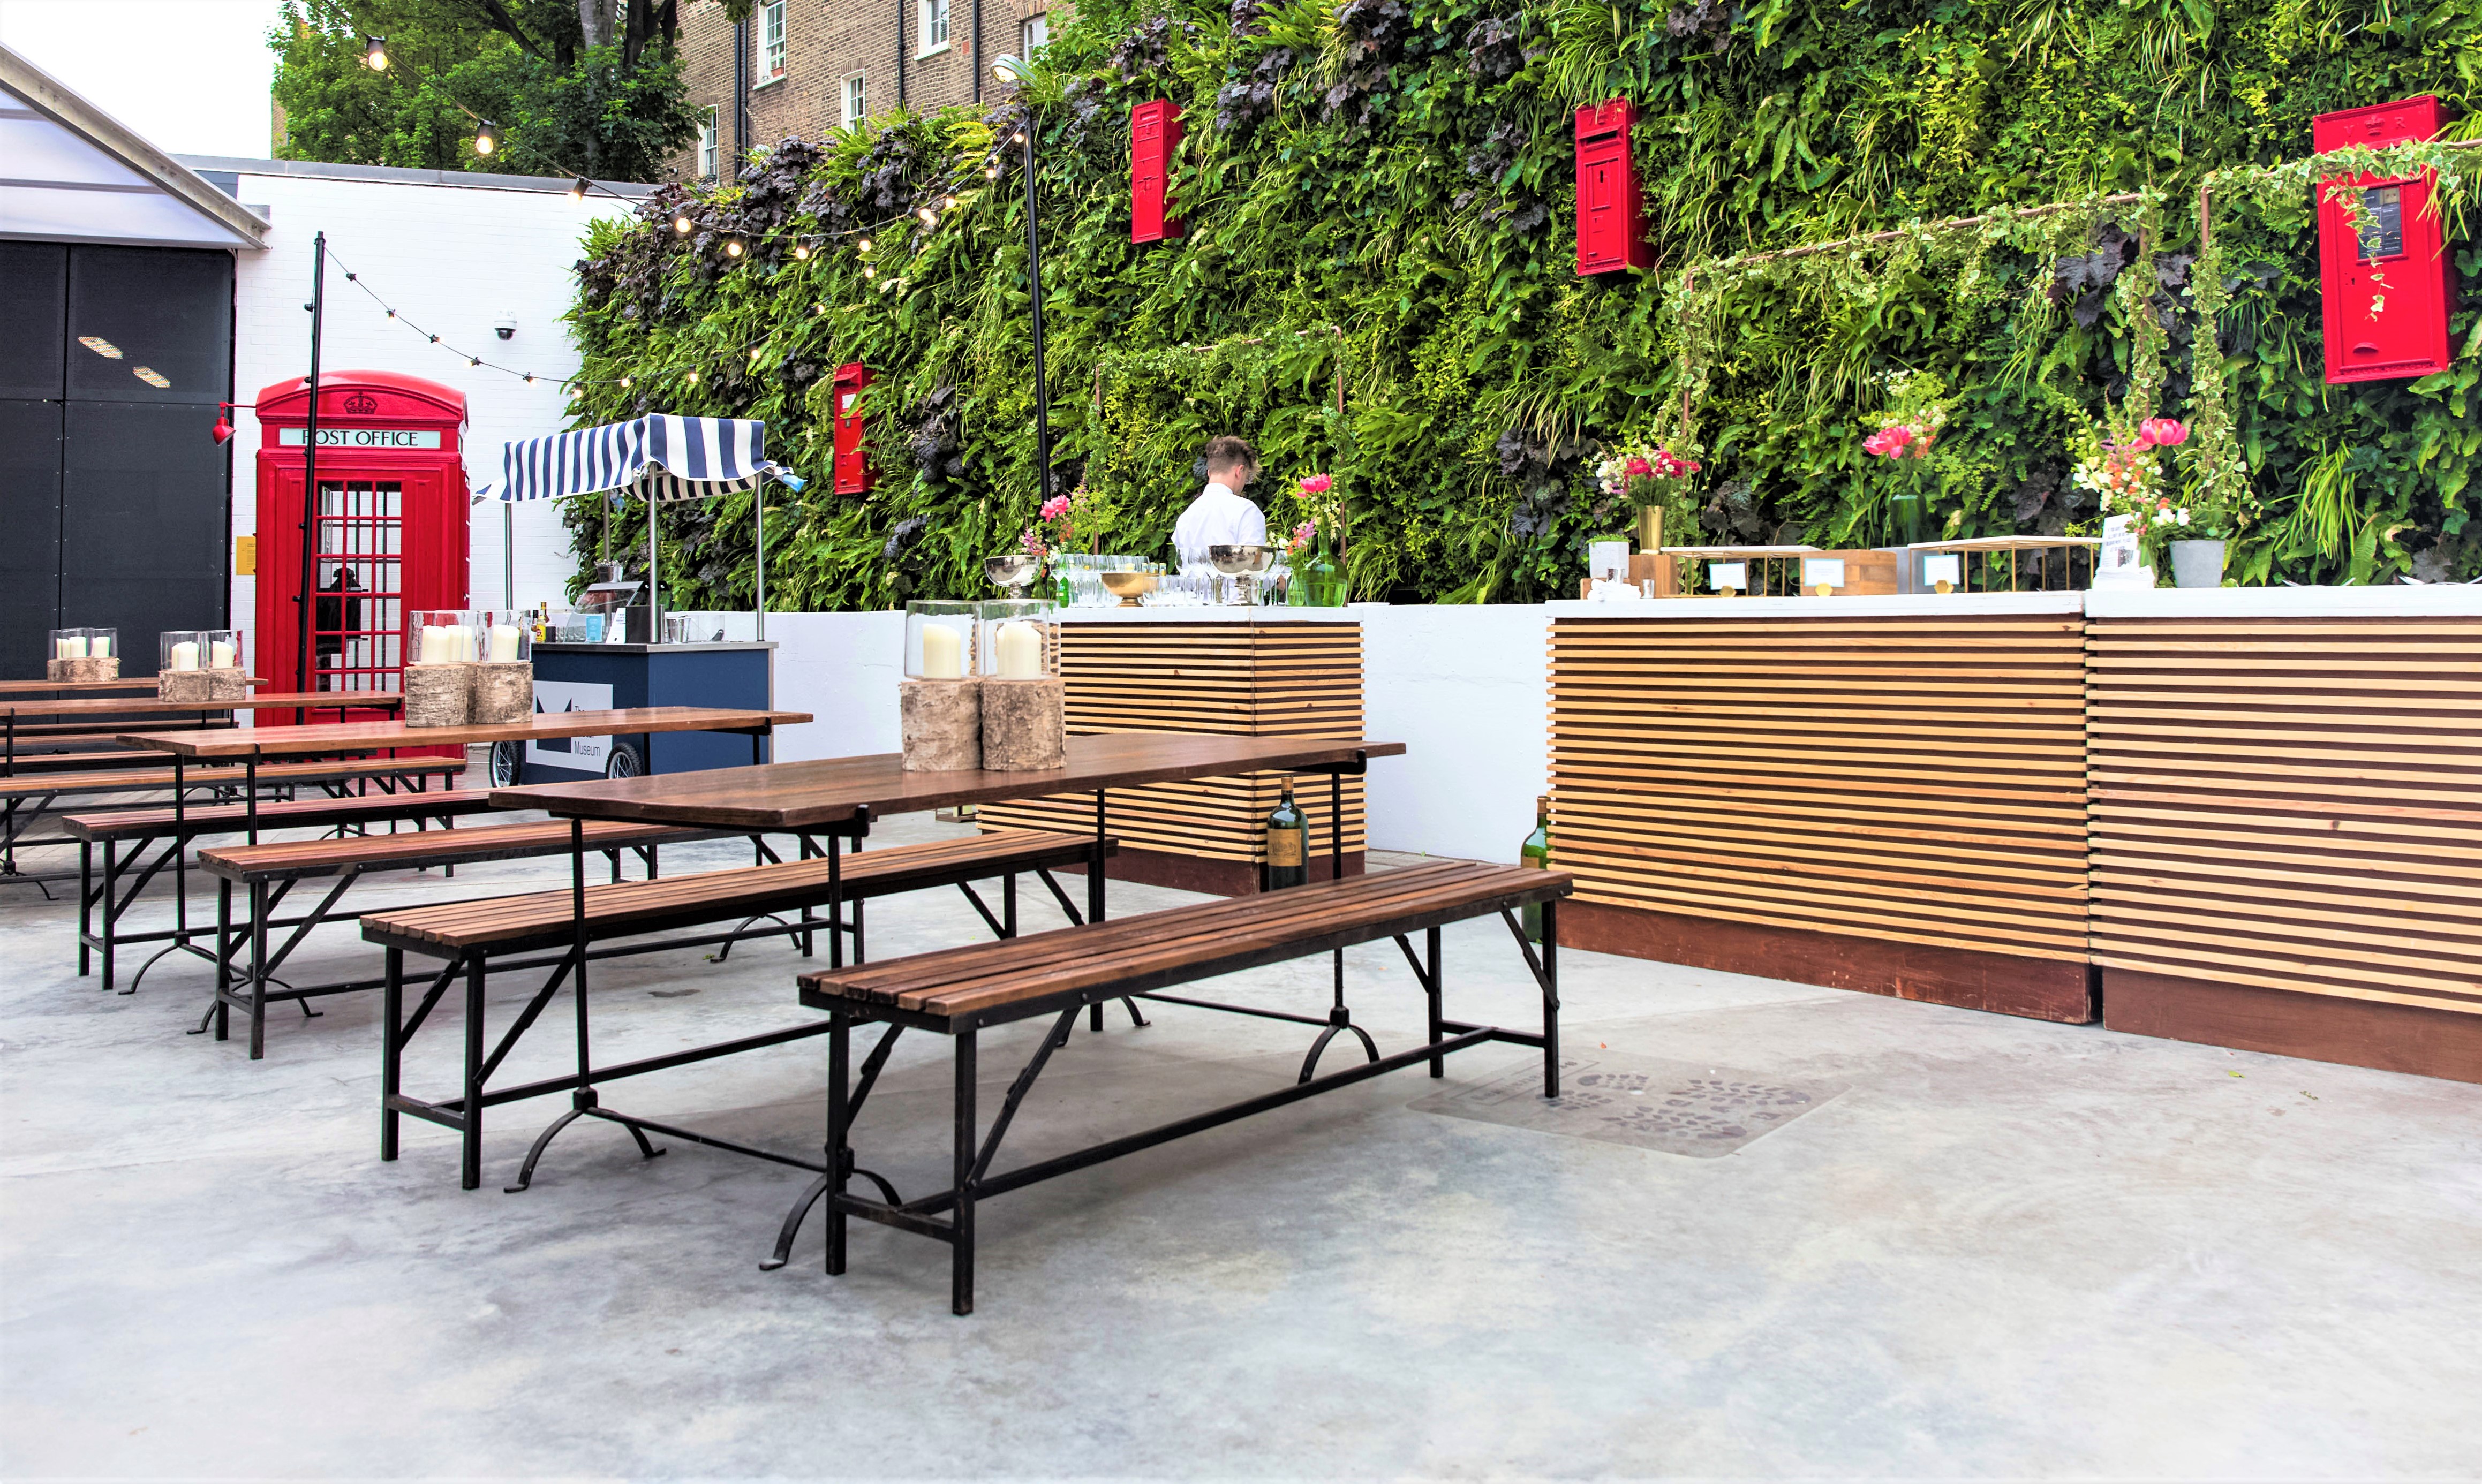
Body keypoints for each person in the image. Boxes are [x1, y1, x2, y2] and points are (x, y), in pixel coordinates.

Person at [1171, 435, 1266, 574]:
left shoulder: (1186, 517)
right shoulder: (1247, 511)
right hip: (1236, 596)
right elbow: (1253, 571)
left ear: (1210, 473)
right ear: (1239, 472)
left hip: (1192, 596)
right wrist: (1276, 580)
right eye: (1247, 478)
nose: (1245, 485)